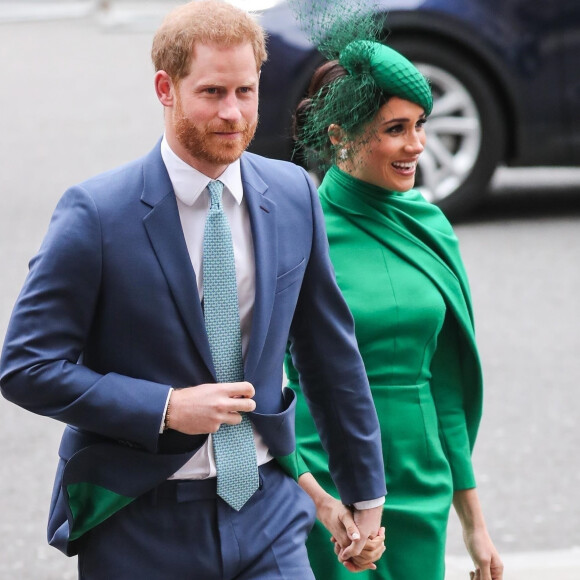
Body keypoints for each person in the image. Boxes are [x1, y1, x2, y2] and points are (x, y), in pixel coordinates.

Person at [0, 2, 387, 578]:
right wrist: (165, 407)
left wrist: (365, 492)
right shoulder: (97, 215)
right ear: (166, 87)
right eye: (211, 93)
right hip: (139, 521)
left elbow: (330, 354)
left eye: (245, 91)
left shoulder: (293, 193)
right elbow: (26, 365)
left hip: (268, 511)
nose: (233, 113)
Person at [284, 32, 505, 580]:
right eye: (395, 130)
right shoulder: (299, 232)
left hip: (419, 478)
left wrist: (474, 524)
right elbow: (268, 380)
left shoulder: (431, 227)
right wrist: (314, 495)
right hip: (327, 482)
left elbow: (446, 384)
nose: (417, 145)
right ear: (340, 138)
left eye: (420, 125)